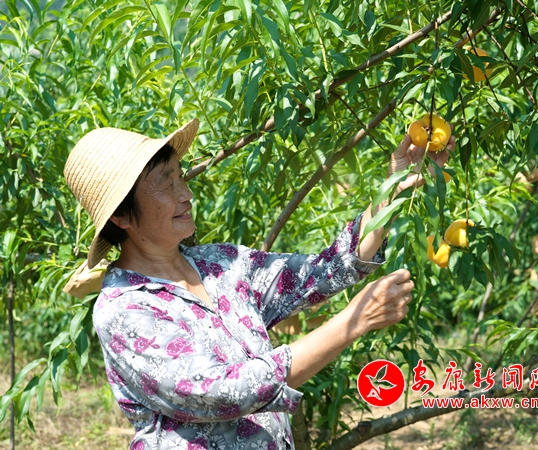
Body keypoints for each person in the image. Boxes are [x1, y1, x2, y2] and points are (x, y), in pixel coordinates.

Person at [63, 118, 454, 449]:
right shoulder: (124, 309)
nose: (186, 194)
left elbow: (322, 271)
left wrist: (393, 187)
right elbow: (222, 392)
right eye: (166, 184)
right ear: (122, 217)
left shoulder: (220, 264)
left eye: (181, 177)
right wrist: (352, 322)